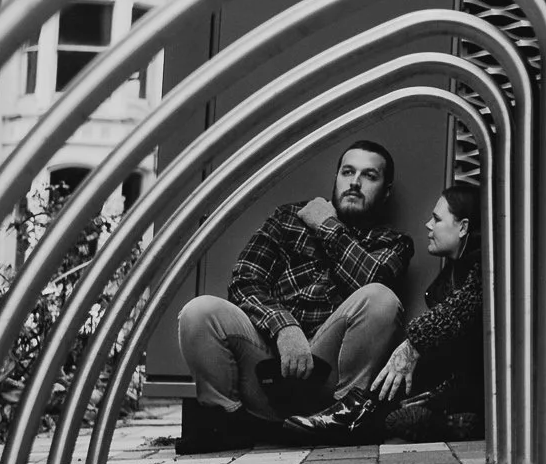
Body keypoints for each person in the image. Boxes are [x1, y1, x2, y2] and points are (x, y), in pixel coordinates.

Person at [177, 139, 413, 427]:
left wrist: (328, 227)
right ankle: (227, 422)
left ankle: (342, 420)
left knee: (381, 298)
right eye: (347, 172)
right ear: (336, 178)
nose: (355, 183)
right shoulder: (288, 219)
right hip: (267, 367)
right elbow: (244, 281)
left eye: (369, 176)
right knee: (199, 311)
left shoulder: (393, 243)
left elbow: (373, 282)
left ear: (385, 191)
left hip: (327, 383)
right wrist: (284, 327)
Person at [369, 181, 485, 436]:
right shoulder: (453, 273)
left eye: (437, 219)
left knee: (395, 419)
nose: (428, 226)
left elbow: (466, 305)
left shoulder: (487, 264)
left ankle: (466, 422)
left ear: (463, 227)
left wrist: (414, 343)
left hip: (492, 389)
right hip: (462, 388)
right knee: (393, 412)